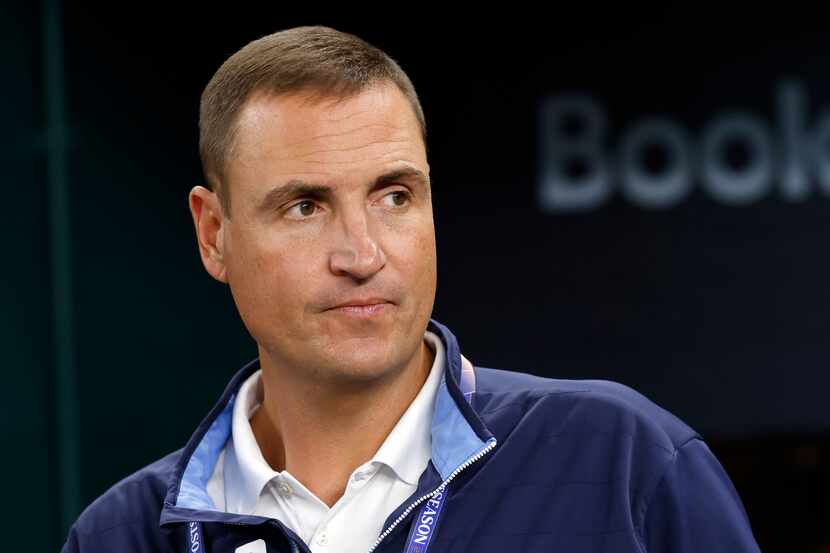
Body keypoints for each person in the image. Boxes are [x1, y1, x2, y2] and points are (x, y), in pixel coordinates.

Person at [61, 26, 761, 553]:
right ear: (214, 234)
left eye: (394, 195)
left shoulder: (623, 463)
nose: (362, 254)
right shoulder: (119, 535)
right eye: (306, 206)